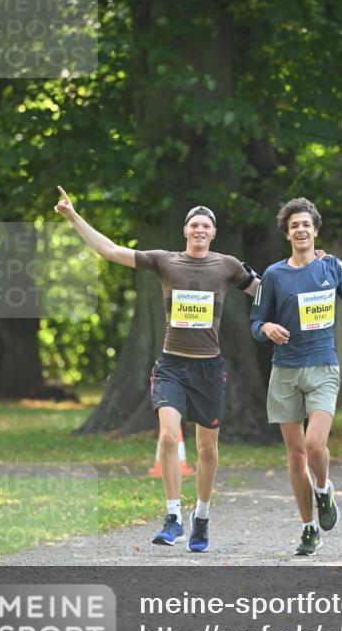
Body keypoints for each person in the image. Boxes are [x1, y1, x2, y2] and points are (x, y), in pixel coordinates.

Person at [54, 186, 260, 553]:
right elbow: (110, 251)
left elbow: (265, 292)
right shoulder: (165, 260)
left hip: (209, 370)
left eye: (206, 226)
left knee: (207, 449)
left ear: (213, 233)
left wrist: (309, 263)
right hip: (171, 366)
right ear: (185, 231)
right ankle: (172, 516)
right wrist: (73, 217)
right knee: (168, 436)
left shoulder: (227, 265)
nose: (199, 230)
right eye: (194, 225)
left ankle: (202, 517)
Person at [250, 197, 342, 557]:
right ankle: (309, 528)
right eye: (294, 225)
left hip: (323, 368)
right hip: (284, 371)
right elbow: (254, 323)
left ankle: (324, 489)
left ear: (315, 230)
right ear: (287, 232)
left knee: (314, 446)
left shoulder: (333, 268)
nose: (300, 229)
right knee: (295, 456)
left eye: (306, 224)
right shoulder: (274, 275)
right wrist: (266, 327)